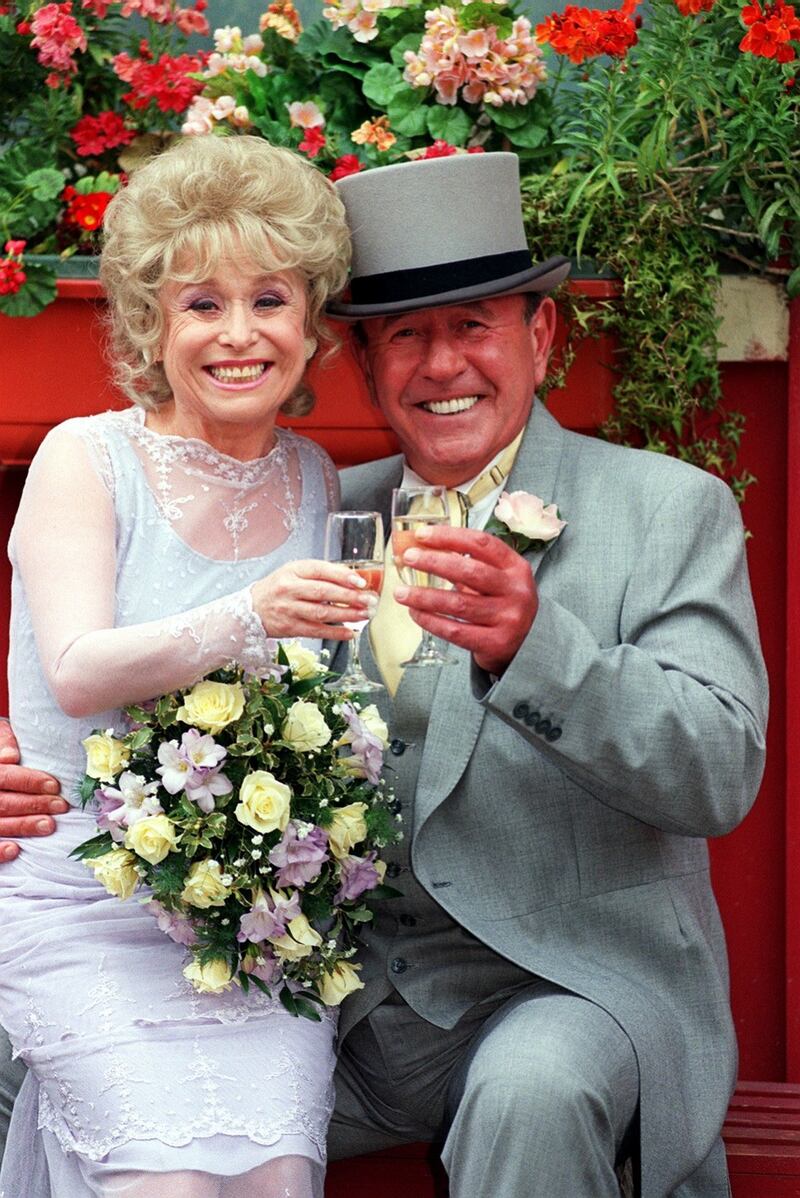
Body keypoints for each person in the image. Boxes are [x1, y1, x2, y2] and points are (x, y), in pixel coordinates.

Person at [0, 150, 769, 1198]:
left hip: (563, 989)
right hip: (345, 1002)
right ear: (360, 360)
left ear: (538, 335)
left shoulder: (665, 507)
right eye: (405, 333)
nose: (440, 364)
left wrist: (533, 644)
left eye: (473, 326)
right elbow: (120, 654)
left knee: (526, 1094)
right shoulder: (318, 499)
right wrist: (24, 757)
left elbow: (717, 773)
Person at [0, 132, 378, 1198]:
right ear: (150, 321)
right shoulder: (87, 456)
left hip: (255, 920)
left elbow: (330, 705)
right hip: (84, 901)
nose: (237, 333)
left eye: (268, 298)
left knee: (271, 1180)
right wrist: (249, 613)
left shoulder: (317, 478)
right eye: (200, 302)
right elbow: (75, 671)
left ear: (310, 322)